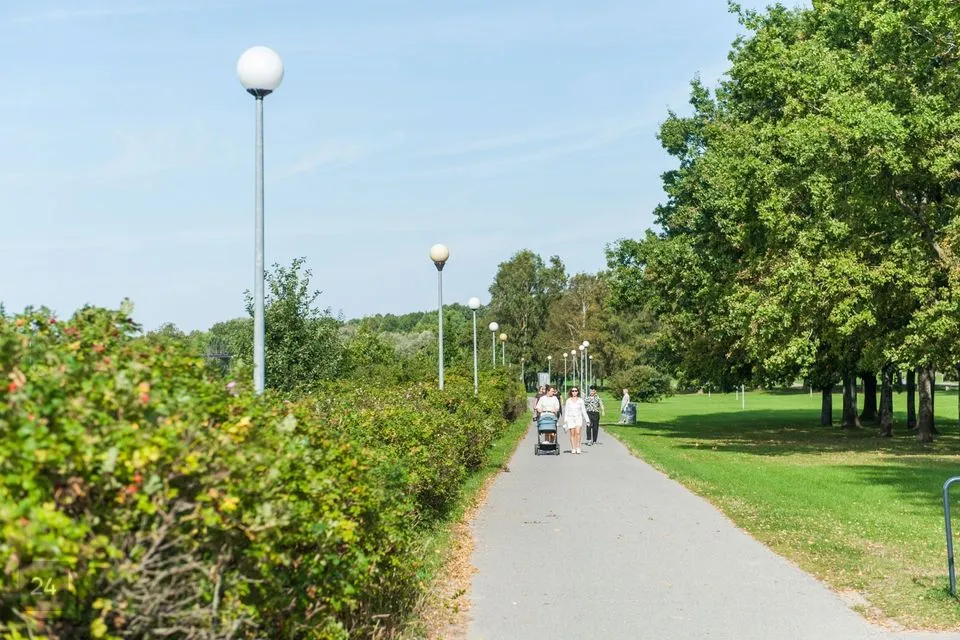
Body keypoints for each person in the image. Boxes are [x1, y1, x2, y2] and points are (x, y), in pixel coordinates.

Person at [562, 387, 590, 454]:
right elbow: (566, 411)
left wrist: (587, 420)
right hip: (570, 418)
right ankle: (573, 448)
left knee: (578, 432)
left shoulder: (580, 400)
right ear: (571, 392)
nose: (574, 392)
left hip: (578, 418)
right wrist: (565, 420)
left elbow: (584, 411)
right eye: (573, 391)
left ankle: (578, 447)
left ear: (578, 392)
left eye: (575, 391)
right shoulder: (568, 400)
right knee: (572, 433)